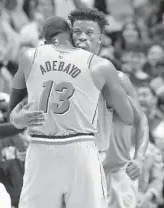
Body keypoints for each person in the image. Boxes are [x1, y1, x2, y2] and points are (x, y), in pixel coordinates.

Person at [9, 13, 134, 208]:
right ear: (70, 34)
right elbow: (129, 116)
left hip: (41, 146)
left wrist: (19, 119)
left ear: (45, 39)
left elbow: (13, 115)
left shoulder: (30, 57)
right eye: (78, 32)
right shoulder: (102, 66)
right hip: (81, 147)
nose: (82, 37)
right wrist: (111, 93)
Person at [68, 8, 149, 208]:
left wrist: (139, 158)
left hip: (118, 174)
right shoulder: (62, 80)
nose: (82, 37)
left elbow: (141, 121)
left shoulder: (119, 79)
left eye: (89, 33)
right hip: (81, 174)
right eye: (77, 32)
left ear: (100, 39)